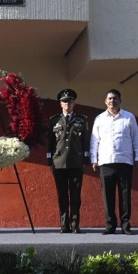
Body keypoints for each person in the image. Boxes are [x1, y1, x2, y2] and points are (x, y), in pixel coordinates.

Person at [91, 89, 138, 235]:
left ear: (120, 101)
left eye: (115, 98)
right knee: (108, 195)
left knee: (125, 195)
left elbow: (136, 138)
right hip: (106, 162)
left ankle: (125, 225)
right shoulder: (99, 119)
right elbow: (95, 140)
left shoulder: (129, 117)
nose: (112, 101)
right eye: (109, 99)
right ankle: (110, 225)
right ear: (105, 102)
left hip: (124, 161)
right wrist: (94, 159)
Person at [47, 89, 90, 233]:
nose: (68, 103)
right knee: (62, 195)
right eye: (65, 101)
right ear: (60, 103)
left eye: (70, 101)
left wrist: (85, 160)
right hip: (58, 162)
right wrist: (49, 161)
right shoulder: (54, 120)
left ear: (74, 103)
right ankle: (64, 224)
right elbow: (50, 143)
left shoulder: (82, 120)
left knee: (76, 195)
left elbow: (86, 142)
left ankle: (75, 224)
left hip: (76, 162)